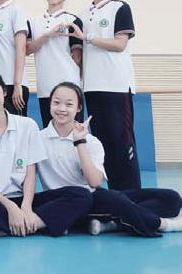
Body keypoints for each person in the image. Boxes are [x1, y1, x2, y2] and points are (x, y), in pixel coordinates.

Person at [0, 70, 92, 239]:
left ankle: (8, 226)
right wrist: (11, 207)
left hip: (25, 199)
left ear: (4, 92)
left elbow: (30, 173)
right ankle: (40, 223)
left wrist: (26, 207)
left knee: (81, 195)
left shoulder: (27, 125)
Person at [37, 81, 182, 237]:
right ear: (50, 104)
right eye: (56, 103)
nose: (61, 109)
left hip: (92, 195)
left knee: (171, 198)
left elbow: (94, 182)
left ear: (79, 108)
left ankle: (109, 224)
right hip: (66, 201)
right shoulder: (38, 139)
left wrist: (80, 142)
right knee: (114, 199)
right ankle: (163, 224)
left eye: (69, 104)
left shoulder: (91, 142)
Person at [69, 0, 140, 190]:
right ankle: (114, 199)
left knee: (122, 143)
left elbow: (120, 44)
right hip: (91, 87)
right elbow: (77, 54)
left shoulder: (120, 7)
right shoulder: (81, 15)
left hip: (116, 86)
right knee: (101, 143)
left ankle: (132, 197)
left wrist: (87, 38)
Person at [26, 0, 83, 127]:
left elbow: (78, 57)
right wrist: (47, 35)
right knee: (49, 130)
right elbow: (27, 50)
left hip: (70, 85)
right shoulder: (33, 22)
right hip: (45, 87)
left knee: (73, 131)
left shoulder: (72, 20)